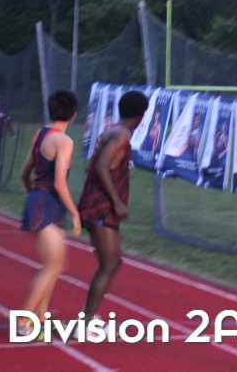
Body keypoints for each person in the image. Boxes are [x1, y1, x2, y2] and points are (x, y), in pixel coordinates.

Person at [77, 90, 149, 319]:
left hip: (99, 205)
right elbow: (101, 166)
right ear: (141, 115)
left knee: (113, 262)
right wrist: (117, 203)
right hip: (101, 207)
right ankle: (86, 321)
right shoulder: (121, 136)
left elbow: (95, 164)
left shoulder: (113, 131)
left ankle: (89, 317)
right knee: (109, 264)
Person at [18, 90, 82, 336]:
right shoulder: (64, 141)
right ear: (74, 114)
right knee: (53, 266)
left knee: (53, 265)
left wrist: (33, 196)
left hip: (40, 200)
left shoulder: (40, 135)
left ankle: (40, 318)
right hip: (47, 202)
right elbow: (59, 183)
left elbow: (25, 174)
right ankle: (23, 322)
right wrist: (75, 214)